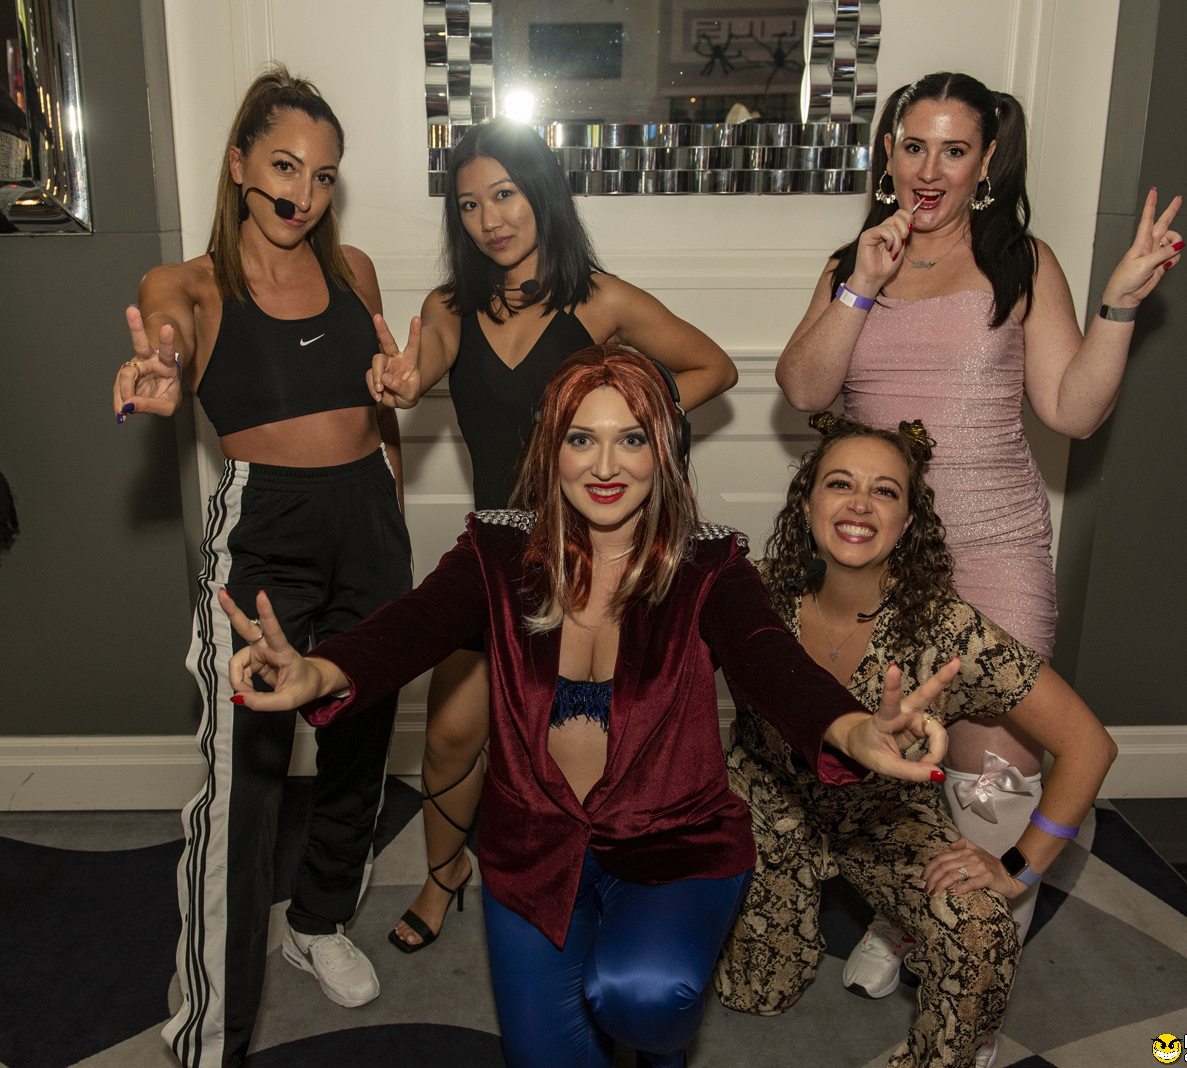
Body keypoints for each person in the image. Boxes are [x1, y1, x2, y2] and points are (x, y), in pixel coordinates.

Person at [221, 347, 957, 1068]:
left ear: (663, 450)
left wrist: (849, 727)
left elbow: (768, 656)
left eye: (630, 439)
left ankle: (662, 1053)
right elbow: (413, 624)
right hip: (532, 849)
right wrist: (322, 670)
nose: (606, 467)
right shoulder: (495, 551)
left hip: (676, 845)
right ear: (552, 449)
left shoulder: (709, 565)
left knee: (642, 996)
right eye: (582, 439)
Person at [773, 70, 1179, 975]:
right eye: (914, 147)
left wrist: (1119, 306)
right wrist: (861, 286)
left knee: (990, 770)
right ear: (887, 154)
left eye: (954, 150)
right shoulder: (851, 264)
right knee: (891, 740)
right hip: (877, 556)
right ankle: (907, 911)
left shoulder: (1021, 263)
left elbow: (1073, 411)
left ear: (986, 161)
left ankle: (971, 970)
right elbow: (804, 390)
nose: (930, 170)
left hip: (996, 547)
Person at [363, 119, 737, 951]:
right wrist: (404, 381)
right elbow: (426, 364)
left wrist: (637, 419)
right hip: (499, 558)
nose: (490, 218)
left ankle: (605, 877)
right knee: (452, 733)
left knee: (590, 742)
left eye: (505, 194)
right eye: (469, 205)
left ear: (541, 192)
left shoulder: (600, 300)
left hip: (592, 555)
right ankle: (443, 876)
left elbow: (716, 366)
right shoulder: (448, 307)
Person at [112, 67, 411, 1068]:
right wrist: (155, 372)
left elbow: (381, 402)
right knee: (244, 786)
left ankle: (318, 920)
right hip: (266, 531)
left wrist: (391, 491)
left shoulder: (355, 268)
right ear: (240, 163)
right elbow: (162, 340)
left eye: (322, 176)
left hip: (368, 519)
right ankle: (211, 1037)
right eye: (284, 166)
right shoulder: (189, 285)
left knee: (361, 742)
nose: (302, 194)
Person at [716, 413, 1118, 1068]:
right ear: (807, 503)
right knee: (753, 994)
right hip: (768, 807)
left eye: (885, 491)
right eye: (840, 483)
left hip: (885, 819)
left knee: (981, 930)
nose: (860, 504)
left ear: (907, 523)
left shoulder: (947, 628)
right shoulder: (750, 596)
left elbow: (1089, 745)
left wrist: (1017, 867)